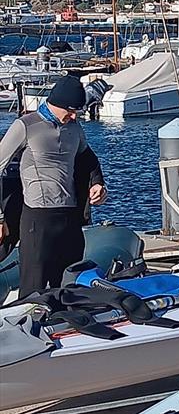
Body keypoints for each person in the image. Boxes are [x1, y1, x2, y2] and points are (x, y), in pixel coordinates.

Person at [0, 75, 107, 297]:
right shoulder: (26, 126)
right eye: (70, 110)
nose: (73, 115)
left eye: (77, 111)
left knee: (70, 283)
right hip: (37, 218)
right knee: (34, 287)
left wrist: (98, 183)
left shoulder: (74, 128)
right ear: (55, 103)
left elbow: (87, 158)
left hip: (69, 215)